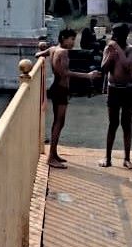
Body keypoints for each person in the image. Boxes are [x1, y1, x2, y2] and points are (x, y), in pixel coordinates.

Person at [36, 29, 101, 168]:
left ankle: (54, 153)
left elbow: (39, 54)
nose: (73, 42)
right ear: (64, 38)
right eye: (71, 39)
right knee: (59, 122)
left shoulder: (54, 49)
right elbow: (65, 73)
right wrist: (88, 76)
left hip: (56, 88)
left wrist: (41, 52)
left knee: (58, 122)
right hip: (61, 89)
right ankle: (51, 157)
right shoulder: (63, 52)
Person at [98, 23, 132, 169]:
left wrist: (118, 50)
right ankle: (107, 158)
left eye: (117, 35)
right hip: (113, 89)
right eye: (113, 35)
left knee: (126, 124)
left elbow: (128, 66)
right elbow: (103, 68)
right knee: (112, 124)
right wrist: (110, 56)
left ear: (125, 35)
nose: (114, 38)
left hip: (128, 89)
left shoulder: (131, 49)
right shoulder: (109, 49)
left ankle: (127, 158)